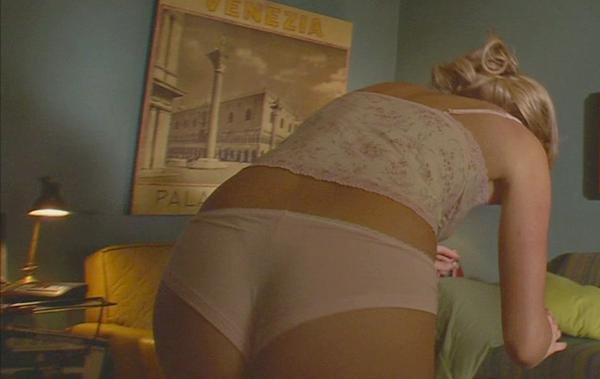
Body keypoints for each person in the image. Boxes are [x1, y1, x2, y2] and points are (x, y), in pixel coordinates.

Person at [153, 35, 566, 378]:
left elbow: (332, 194)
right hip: (355, 255)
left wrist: (410, 253)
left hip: (215, 239)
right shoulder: (524, 145)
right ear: (537, 133)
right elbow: (524, 345)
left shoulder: (378, 92)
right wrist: (544, 338)